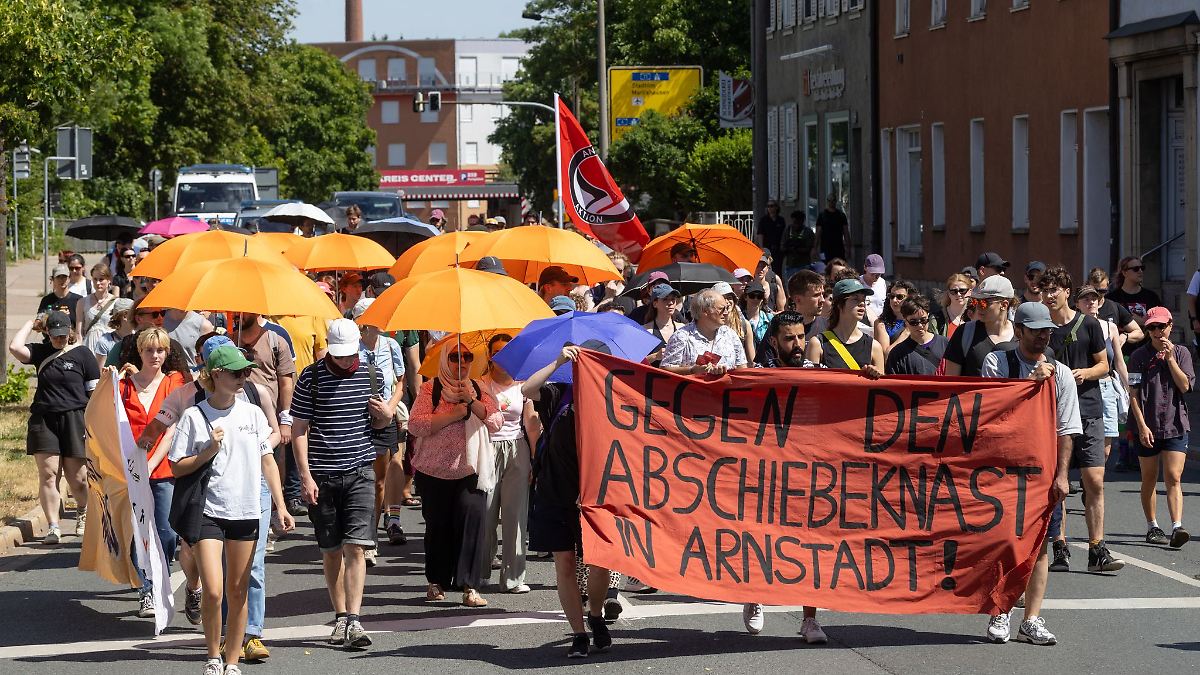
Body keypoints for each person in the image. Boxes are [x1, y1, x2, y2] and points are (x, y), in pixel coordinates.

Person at [168, 346, 294, 675]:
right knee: (214, 589)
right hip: (208, 511)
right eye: (236, 373)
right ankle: (212, 656)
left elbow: (267, 461)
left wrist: (280, 506)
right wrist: (209, 449)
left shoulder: (252, 414)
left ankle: (232, 661)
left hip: (246, 509)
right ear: (216, 375)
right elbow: (177, 466)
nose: (243, 378)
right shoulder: (195, 416)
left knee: (238, 591)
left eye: (245, 373)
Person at [979, 302, 1080, 646]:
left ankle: (1031, 619)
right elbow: (993, 413)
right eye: (1035, 330)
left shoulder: (1062, 374)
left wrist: (1062, 476)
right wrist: (1029, 384)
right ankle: (1001, 611)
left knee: (1039, 549)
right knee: (1005, 544)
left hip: (1043, 473)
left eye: (1047, 331)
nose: (1042, 336)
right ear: (1018, 330)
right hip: (1003, 472)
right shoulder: (997, 362)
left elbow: (1066, 429)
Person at [523, 341, 615, 657]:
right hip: (554, 491)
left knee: (599, 564)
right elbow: (528, 389)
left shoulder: (614, 398)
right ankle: (579, 633)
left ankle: (596, 614)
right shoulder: (557, 393)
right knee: (563, 562)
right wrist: (557, 359)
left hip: (595, 495)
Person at [1038, 267, 1121, 574]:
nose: (1049, 295)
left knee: (1094, 481)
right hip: (1054, 416)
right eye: (1044, 289)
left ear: (1066, 291)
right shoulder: (1041, 328)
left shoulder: (1088, 324)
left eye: (1054, 289)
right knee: (1060, 483)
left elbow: (1104, 365)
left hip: (1089, 410)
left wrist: (1085, 373)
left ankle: (1097, 548)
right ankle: (1059, 546)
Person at [408, 342, 503, 608]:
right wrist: (454, 414)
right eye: (454, 357)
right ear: (444, 361)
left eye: (467, 357)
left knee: (471, 526)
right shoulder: (431, 389)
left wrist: (471, 403)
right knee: (438, 527)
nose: (461, 362)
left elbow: (496, 423)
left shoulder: (479, 389)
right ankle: (436, 581)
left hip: (471, 470)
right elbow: (416, 425)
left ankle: (470, 587)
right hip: (434, 471)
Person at [8, 311, 97, 545]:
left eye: (63, 335)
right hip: (44, 419)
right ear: (48, 333)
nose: (59, 339)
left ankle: (82, 510)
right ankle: (53, 526)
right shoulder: (41, 352)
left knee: (77, 477)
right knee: (48, 475)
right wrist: (31, 323)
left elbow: (94, 393)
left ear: (69, 331)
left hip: (74, 417)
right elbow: (15, 348)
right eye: (55, 335)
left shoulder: (83, 354)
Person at [118, 327, 189, 618]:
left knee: (167, 533)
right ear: (140, 351)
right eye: (149, 350)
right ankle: (146, 590)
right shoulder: (124, 386)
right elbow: (112, 425)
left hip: (164, 468)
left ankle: (162, 571)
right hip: (132, 470)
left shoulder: (175, 383)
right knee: (139, 531)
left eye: (160, 350)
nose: (155, 355)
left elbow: (172, 430)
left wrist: (151, 463)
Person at [1127, 306, 1193, 549]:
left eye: (1161, 326)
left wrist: (1171, 360)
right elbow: (1132, 394)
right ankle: (1152, 525)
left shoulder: (1182, 353)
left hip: (1175, 423)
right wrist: (1141, 426)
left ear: (1170, 326)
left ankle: (1177, 526)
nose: (1157, 331)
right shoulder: (1138, 356)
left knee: (1174, 476)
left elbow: (1185, 386)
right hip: (1148, 424)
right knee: (1149, 478)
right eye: (1152, 327)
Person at [479, 334, 539, 593]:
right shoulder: (478, 385)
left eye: (507, 351)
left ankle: (514, 578)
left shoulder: (523, 385)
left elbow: (531, 423)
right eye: (497, 352)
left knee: (516, 517)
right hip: (485, 450)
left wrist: (535, 459)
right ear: (490, 356)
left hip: (517, 449)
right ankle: (479, 574)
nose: (502, 357)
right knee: (485, 514)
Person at [351, 298, 406, 566]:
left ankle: (391, 519)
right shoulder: (352, 347)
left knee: (387, 472)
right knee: (370, 478)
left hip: (386, 415)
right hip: (361, 418)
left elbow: (400, 380)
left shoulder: (391, 345)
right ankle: (368, 537)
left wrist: (391, 408)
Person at [1077, 285, 1131, 465]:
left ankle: (1091, 483)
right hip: (1083, 387)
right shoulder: (1075, 326)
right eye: (1086, 298)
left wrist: (1128, 388)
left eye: (1094, 298)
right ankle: (1086, 481)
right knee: (1081, 440)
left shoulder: (1111, 327)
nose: (1091, 301)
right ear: (1077, 304)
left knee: (1105, 449)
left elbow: (1119, 361)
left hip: (1107, 387)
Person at [805, 279, 885, 376]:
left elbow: (882, 387)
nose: (862, 303)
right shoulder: (818, 344)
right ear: (839, 304)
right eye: (855, 299)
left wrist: (875, 374)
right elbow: (810, 385)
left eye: (864, 299)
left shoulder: (874, 346)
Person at [942, 275, 1017, 377]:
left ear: (1004, 305)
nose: (978, 307)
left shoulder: (1020, 334)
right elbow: (950, 381)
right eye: (976, 301)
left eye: (984, 303)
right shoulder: (964, 332)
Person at [885, 295, 948, 376]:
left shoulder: (946, 344)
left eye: (923, 320)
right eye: (913, 322)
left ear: (928, 316)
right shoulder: (897, 353)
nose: (920, 325)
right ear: (905, 321)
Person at [1108, 256, 1162, 330]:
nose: (1140, 271)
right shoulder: (1112, 298)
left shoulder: (1151, 297)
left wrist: (1143, 321)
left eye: (1142, 268)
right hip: (1122, 340)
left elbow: (1161, 322)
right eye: (1136, 269)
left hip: (1146, 340)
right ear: (1124, 272)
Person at [86, 298, 135, 368]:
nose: (139, 317)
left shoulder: (139, 338)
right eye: (135, 313)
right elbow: (101, 372)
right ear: (125, 316)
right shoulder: (105, 342)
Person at [715, 282, 755, 364]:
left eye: (729, 298)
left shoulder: (744, 324)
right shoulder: (710, 325)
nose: (727, 302)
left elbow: (752, 360)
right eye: (723, 298)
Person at [643, 283, 683, 364]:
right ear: (655, 303)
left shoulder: (682, 328)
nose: (670, 303)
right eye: (665, 299)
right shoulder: (646, 330)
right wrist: (655, 356)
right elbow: (636, 363)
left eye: (673, 299)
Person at [873, 280, 916, 355]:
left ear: (910, 298)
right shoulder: (881, 323)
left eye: (900, 297)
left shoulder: (918, 320)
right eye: (891, 296)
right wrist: (906, 333)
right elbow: (886, 354)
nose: (894, 300)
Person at [75, 264, 118, 340]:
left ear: (109, 280)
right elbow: (79, 332)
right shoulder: (82, 302)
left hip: (109, 347)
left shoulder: (116, 302)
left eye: (101, 279)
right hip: (88, 346)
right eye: (95, 279)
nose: (98, 283)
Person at [785, 269, 826, 335]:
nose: (822, 300)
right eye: (816, 295)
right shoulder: (782, 330)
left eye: (822, 294)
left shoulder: (830, 328)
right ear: (798, 299)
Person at [933, 273, 973, 339]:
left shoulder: (974, 318)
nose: (958, 294)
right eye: (954, 291)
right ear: (949, 293)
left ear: (970, 292)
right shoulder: (937, 319)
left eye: (962, 290)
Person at [813, 193, 850, 262]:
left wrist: (848, 248)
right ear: (827, 201)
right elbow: (818, 233)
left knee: (838, 267)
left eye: (833, 200)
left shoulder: (841, 215)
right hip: (825, 248)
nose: (831, 203)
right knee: (825, 267)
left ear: (836, 201)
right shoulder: (822, 216)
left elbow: (846, 232)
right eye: (830, 201)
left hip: (838, 248)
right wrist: (815, 248)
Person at [781, 210, 815, 280]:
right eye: (794, 222)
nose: (795, 225)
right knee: (790, 285)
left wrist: (798, 249)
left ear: (802, 221)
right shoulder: (788, 230)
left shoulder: (808, 232)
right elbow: (782, 247)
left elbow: (809, 248)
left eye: (797, 222)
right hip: (790, 264)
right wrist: (789, 248)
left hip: (803, 264)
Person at [741, 281, 774, 345]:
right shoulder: (739, 318)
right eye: (752, 296)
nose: (755, 299)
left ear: (762, 299)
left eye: (759, 296)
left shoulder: (770, 318)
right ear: (745, 297)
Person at [757, 200, 786, 270]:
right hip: (767, 247)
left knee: (778, 268)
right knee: (767, 267)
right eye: (768, 206)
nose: (770, 208)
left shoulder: (781, 220)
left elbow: (784, 234)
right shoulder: (764, 220)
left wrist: (783, 246)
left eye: (772, 206)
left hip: (778, 249)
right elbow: (760, 234)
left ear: (776, 207)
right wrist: (761, 248)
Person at [860, 254, 888, 322]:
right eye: (872, 273)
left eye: (878, 274)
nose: (876, 276)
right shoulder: (857, 283)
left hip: (880, 323)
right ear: (865, 267)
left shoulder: (884, 284)